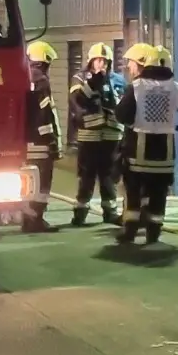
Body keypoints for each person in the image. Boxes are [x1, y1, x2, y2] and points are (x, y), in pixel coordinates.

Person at [114, 43, 178, 244]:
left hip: (138, 150)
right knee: (158, 193)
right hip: (165, 152)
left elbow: (121, 115)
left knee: (133, 193)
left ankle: (129, 231)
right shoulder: (177, 88)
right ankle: (153, 232)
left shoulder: (137, 87)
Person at [69, 43, 122, 226]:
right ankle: (80, 212)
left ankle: (110, 211)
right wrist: (93, 84)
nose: (102, 64)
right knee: (87, 177)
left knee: (108, 177)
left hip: (111, 136)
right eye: (98, 60)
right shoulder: (80, 78)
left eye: (105, 60)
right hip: (89, 136)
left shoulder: (117, 79)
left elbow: (122, 105)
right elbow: (77, 100)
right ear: (91, 61)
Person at [22, 39, 63, 233]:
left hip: (25, 141)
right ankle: (35, 219)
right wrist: (52, 140)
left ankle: (26, 217)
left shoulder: (23, 75)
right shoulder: (42, 80)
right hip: (40, 142)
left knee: (28, 182)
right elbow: (45, 113)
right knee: (42, 183)